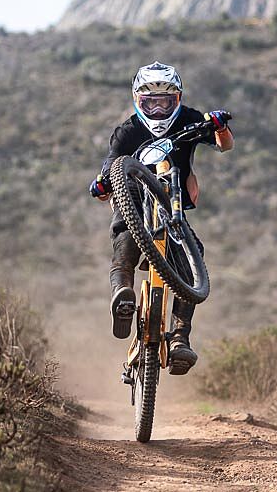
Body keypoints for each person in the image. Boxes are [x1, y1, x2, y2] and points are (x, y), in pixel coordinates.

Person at [89, 61, 233, 375]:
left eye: (164, 101)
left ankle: (180, 337)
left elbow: (224, 146)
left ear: (177, 99)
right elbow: (108, 170)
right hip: (136, 206)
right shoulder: (128, 130)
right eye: (149, 102)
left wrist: (220, 126)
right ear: (137, 101)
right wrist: (102, 184)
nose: (156, 108)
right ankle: (122, 295)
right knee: (125, 238)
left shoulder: (191, 119)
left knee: (192, 256)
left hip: (174, 205)